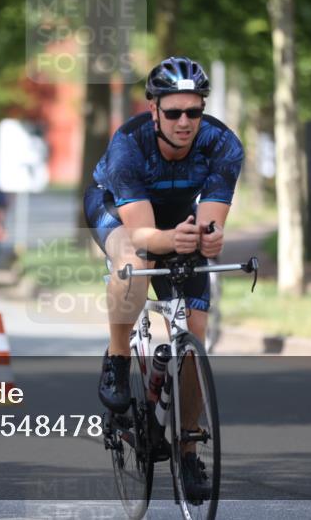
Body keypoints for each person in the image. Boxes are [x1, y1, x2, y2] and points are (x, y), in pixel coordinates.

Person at [83, 56, 243, 496]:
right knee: (133, 258)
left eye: (194, 111)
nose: (184, 122)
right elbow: (142, 232)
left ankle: (189, 453)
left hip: (176, 215)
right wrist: (176, 239)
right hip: (119, 210)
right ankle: (117, 360)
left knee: (194, 334)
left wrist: (209, 239)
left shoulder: (223, 145)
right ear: (153, 110)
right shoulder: (128, 145)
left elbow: (210, 220)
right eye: (173, 112)